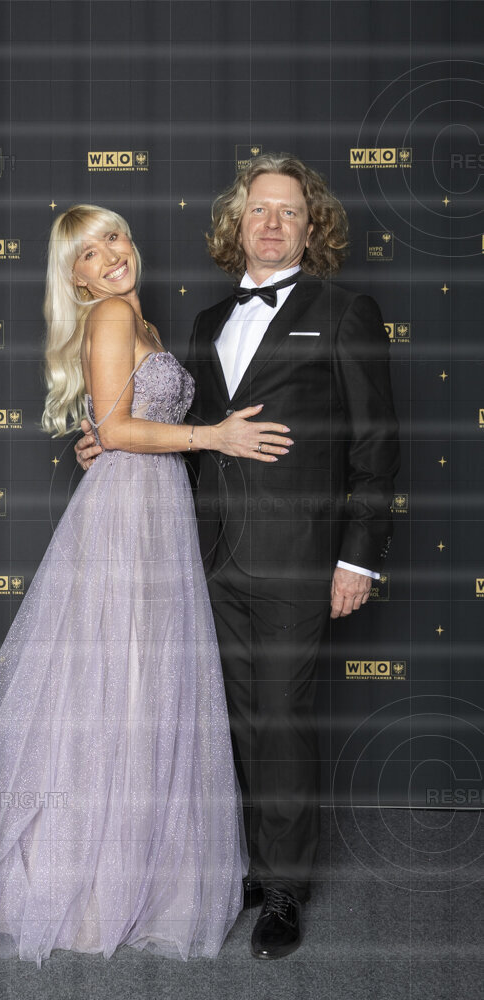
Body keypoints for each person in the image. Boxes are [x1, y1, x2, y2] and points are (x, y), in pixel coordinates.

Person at [0, 203, 297, 966]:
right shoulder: (110, 315)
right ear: (74, 279)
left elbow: (116, 425)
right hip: (127, 516)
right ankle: (93, 882)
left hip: (153, 506)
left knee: (137, 687)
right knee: (121, 682)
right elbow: (115, 429)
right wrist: (213, 434)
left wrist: (133, 437)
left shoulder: (140, 323)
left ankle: (126, 871)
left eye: (112, 236)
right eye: (86, 252)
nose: (108, 255)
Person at [75, 154, 400, 960]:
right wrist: (107, 444)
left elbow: (375, 443)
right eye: (259, 209)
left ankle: (284, 887)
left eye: (288, 211)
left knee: (280, 719)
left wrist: (357, 560)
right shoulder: (206, 321)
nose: (271, 222)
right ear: (236, 223)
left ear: (310, 228)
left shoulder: (345, 310)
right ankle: (248, 864)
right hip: (206, 554)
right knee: (226, 720)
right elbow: (184, 435)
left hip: (299, 557)